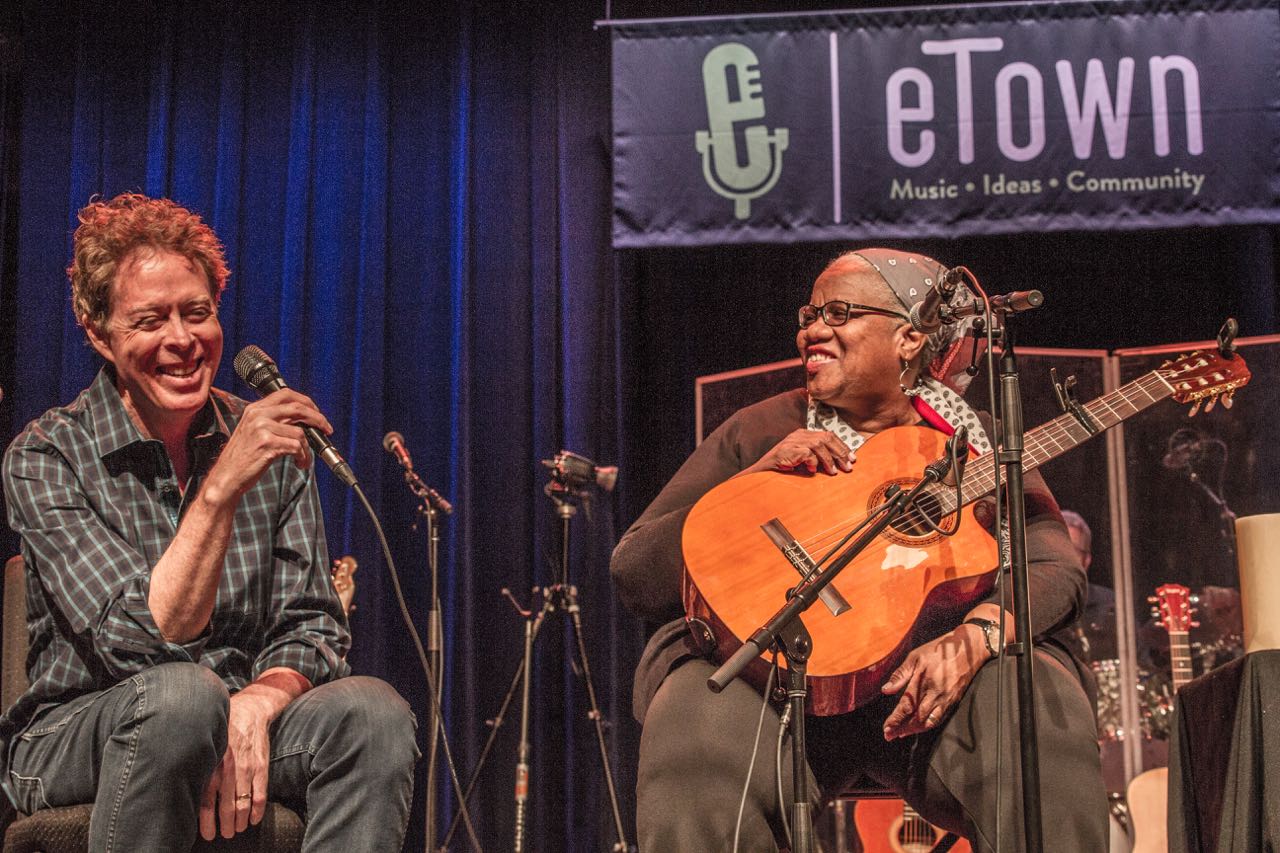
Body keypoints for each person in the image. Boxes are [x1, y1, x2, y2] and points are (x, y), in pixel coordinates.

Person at [610, 248, 1108, 852]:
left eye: (840, 312)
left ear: (909, 339)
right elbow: (636, 573)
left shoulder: (982, 443)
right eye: (810, 313)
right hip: (777, 689)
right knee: (695, 739)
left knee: (1041, 720)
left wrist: (977, 634)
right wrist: (748, 489)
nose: (811, 329)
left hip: (932, 695)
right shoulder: (763, 430)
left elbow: (1054, 567)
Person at [1, 193, 417, 851]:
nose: (182, 339)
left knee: (372, 714)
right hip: (78, 728)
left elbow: (310, 624)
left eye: (197, 313)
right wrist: (220, 489)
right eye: (149, 320)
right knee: (178, 698)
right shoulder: (46, 455)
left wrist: (256, 702)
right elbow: (140, 639)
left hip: (225, 715)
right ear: (97, 331)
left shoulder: (268, 444)